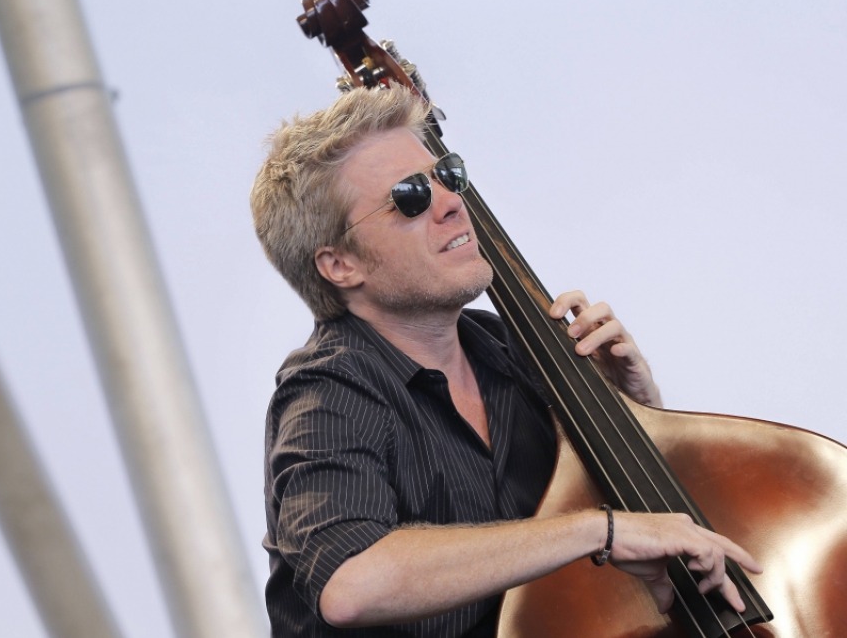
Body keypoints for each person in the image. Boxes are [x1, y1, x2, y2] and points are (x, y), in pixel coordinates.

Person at [249, 85, 760, 637]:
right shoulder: (327, 393)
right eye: (411, 196)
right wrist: (598, 531)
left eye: (448, 176)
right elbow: (351, 583)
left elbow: (642, 538)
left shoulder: (517, 351)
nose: (452, 203)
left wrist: (637, 414)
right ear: (340, 265)